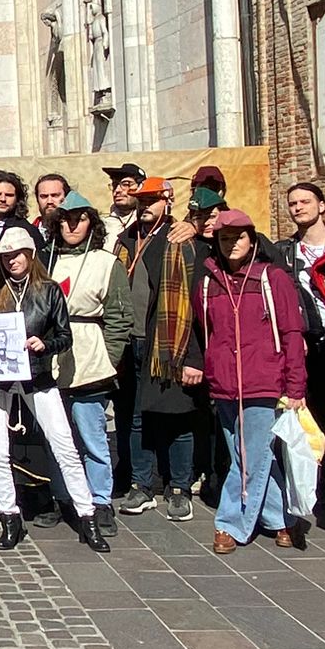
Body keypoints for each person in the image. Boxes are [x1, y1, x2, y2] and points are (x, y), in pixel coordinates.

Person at [0, 227, 112, 553]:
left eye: (16, 254)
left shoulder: (47, 291)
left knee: (64, 446)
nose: (11, 261)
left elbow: (65, 336)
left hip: (37, 376)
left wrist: (43, 345)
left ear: (30, 255)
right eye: (6, 256)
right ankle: (10, 517)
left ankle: (87, 516)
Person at [197, 211, 308, 553]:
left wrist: (295, 387)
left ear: (252, 239)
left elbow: (291, 333)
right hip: (226, 383)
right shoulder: (208, 281)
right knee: (252, 458)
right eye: (225, 238)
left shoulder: (272, 278)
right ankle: (280, 519)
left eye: (238, 237)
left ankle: (229, 523)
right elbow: (206, 334)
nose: (232, 244)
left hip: (264, 382)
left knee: (250, 457)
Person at [113, 179, 203, 521]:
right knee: (136, 419)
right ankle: (141, 484)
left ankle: (179, 488)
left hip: (167, 343)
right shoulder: (126, 239)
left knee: (176, 417)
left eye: (153, 199)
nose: (145, 205)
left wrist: (193, 356)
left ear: (168, 200)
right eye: (142, 199)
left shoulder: (177, 238)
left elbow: (193, 304)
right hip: (132, 342)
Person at [45, 193, 132, 524]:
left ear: (90, 223)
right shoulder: (46, 260)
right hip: (51, 357)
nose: (71, 224)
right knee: (58, 434)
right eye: (65, 218)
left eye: (79, 218)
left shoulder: (106, 263)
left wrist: (108, 358)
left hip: (89, 355)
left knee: (92, 435)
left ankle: (99, 500)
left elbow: (119, 317)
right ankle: (62, 497)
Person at [277, 181, 325, 505]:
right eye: (293, 203)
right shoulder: (285, 253)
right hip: (311, 342)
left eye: (305, 201)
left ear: (321, 206)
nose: (298, 207)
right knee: (317, 412)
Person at [101, 164, 146, 242]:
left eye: (125, 184)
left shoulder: (149, 220)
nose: (117, 190)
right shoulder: (103, 224)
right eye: (114, 185)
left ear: (140, 187)